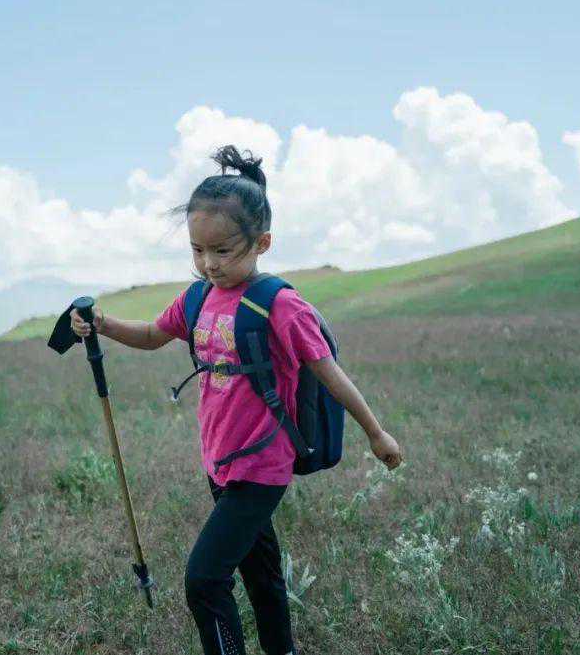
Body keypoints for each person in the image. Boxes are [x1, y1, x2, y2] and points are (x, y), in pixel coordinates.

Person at [71, 144, 402, 655]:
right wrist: (104, 324)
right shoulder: (198, 297)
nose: (209, 263)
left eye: (222, 251)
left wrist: (376, 434)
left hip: (262, 465)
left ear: (262, 242)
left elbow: (329, 373)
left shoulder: (281, 306)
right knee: (261, 573)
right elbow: (154, 335)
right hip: (219, 461)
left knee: (204, 580)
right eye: (197, 250)